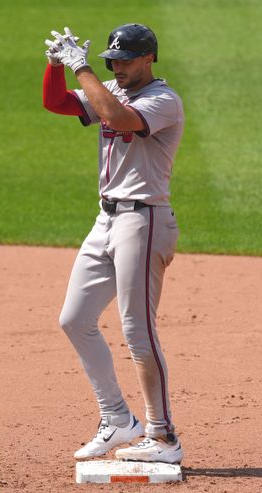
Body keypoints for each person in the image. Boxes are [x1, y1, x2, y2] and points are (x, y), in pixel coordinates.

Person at [42, 24, 185, 463]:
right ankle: (118, 418)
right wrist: (54, 68)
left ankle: (162, 437)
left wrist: (80, 67)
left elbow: (120, 118)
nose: (117, 67)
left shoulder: (164, 100)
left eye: (124, 60)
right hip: (106, 219)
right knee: (74, 319)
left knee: (137, 331)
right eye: (111, 61)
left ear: (149, 59)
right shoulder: (107, 86)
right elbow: (57, 103)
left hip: (143, 222)